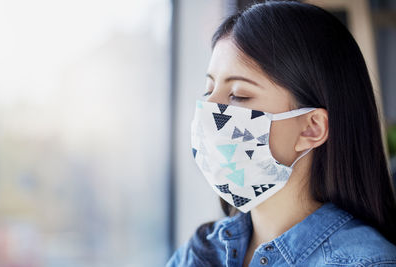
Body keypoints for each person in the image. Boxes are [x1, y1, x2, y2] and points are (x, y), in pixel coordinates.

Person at [167, 1, 396, 266]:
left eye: (238, 95)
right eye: (209, 90)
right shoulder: (198, 252)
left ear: (311, 127)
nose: (209, 108)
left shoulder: (369, 263)